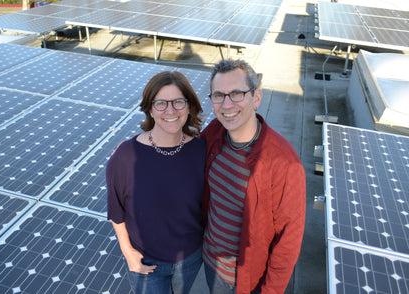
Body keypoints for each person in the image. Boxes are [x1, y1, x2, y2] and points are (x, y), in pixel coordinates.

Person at [201, 59, 306, 294]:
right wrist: (144, 149)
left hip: (244, 280)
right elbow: (184, 155)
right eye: (218, 95)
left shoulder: (284, 163)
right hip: (210, 262)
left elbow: (288, 241)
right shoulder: (213, 134)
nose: (227, 104)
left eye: (237, 93)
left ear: (256, 98)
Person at [106, 71, 206, 294]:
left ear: (189, 106)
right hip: (145, 262)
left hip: (189, 259)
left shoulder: (202, 151)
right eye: (161, 103)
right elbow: (116, 209)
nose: (170, 110)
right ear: (150, 109)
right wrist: (127, 252)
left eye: (178, 102)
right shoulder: (126, 156)